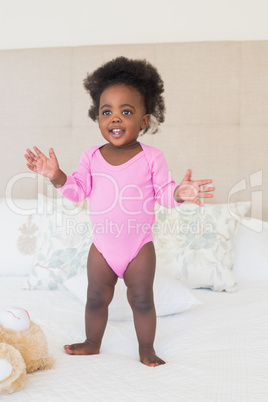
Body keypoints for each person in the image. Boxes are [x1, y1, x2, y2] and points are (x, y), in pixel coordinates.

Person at [25, 56, 214, 367]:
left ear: (143, 121)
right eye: (106, 112)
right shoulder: (91, 156)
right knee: (96, 298)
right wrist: (57, 176)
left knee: (141, 300)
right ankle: (91, 342)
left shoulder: (152, 157)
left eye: (126, 112)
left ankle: (146, 349)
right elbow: (77, 192)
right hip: (102, 247)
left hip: (139, 247)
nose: (115, 118)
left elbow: (164, 196)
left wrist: (180, 193)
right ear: (97, 118)